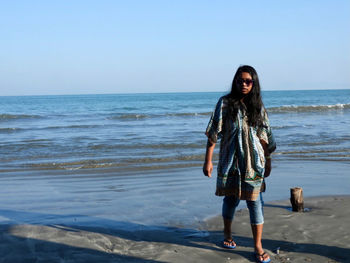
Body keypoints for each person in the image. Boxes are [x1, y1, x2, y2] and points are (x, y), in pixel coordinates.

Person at [203, 65, 276, 263]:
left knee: (255, 203)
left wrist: (268, 161)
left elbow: (265, 137)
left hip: (254, 164)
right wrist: (207, 161)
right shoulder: (225, 103)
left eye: (248, 81)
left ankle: (258, 246)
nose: (244, 84)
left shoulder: (258, 106)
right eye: (240, 80)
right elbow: (213, 134)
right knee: (231, 200)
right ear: (235, 81)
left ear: (254, 83)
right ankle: (227, 235)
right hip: (231, 162)